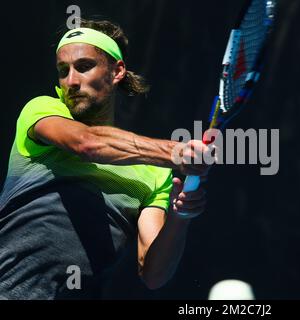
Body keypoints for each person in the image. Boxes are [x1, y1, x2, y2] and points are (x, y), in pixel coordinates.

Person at [0, 19, 210, 299]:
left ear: (117, 71)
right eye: (64, 71)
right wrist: (176, 152)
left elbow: (153, 274)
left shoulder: (154, 176)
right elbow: (86, 144)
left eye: (84, 66)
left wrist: (181, 216)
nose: (71, 81)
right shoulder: (41, 110)